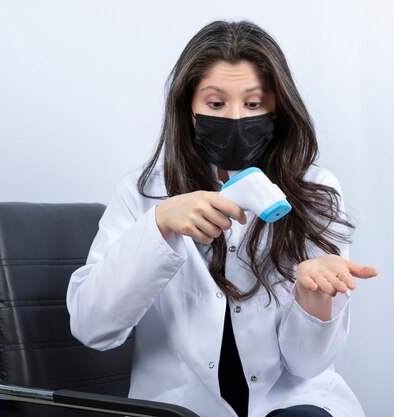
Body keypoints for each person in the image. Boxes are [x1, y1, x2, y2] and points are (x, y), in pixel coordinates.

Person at [66, 20, 378, 417]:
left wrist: (313, 298)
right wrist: (159, 225)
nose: (235, 119)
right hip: (181, 408)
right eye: (215, 104)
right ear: (190, 110)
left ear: (277, 109)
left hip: (291, 406)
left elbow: (307, 366)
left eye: (253, 104)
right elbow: (93, 327)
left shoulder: (315, 190)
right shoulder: (143, 192)